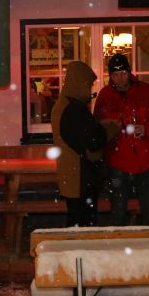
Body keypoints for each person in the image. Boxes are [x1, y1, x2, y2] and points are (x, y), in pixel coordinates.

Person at [93, 53, 149, 227]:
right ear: (110, 76)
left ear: (129, 72)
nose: (120, 78)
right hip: (118, 162)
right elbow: (98, 127)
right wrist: (113, 125)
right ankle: (120, 242)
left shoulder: (146, 91)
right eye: (115, 74)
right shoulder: (105, 96)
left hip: (146, 161)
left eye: (123, 73)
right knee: (118, 213)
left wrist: (147, 129)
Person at [49, 60, 109, 227]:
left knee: (75, 219)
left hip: (71, 175)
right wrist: (106, 130)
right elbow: (92, 141)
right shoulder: (74, 108)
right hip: (81, 177)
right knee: (83, 222)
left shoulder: (62, 105)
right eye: (88, 84)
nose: (89, 89)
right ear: (80, 83)